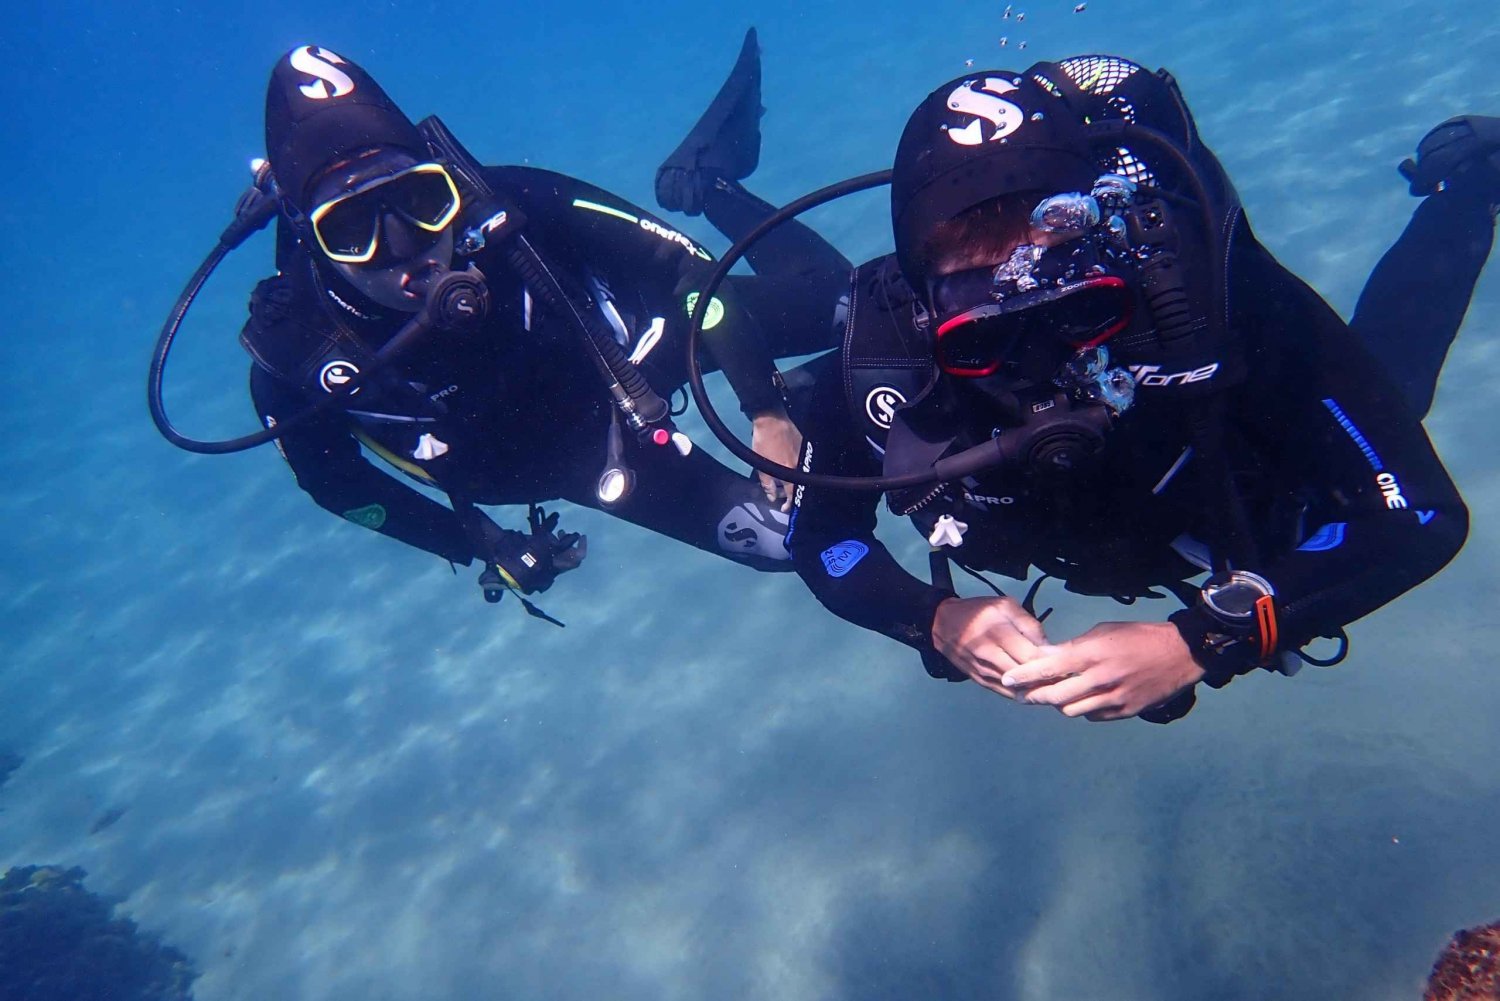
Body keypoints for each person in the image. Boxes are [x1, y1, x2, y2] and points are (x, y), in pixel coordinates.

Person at [778, 56, 1493, 721]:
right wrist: (936, 620)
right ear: (923, 301)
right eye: (983, 335)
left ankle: (1474, 177)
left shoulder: (1201, 300)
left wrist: (1206, 638)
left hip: (1238, 510)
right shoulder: (883, 348)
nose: (1038, 360)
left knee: (1391, 389)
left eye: (1078, 310)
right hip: (1128, 533)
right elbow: (824, 538)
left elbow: (1417, 515)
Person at [228, 39, 849, 618]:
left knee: (852, 306)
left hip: (639, 349)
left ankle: (707, 183)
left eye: (420, 202)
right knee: (794, 545)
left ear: (443, 181)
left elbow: (687, 271)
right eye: (352, 226)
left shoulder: (514, 205)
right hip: (578, 460)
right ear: (308, 233)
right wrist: (476, 539)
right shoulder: (296, 353)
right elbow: (333, 484)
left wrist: (766, 410)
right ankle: (821, 395)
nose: (404, 247)